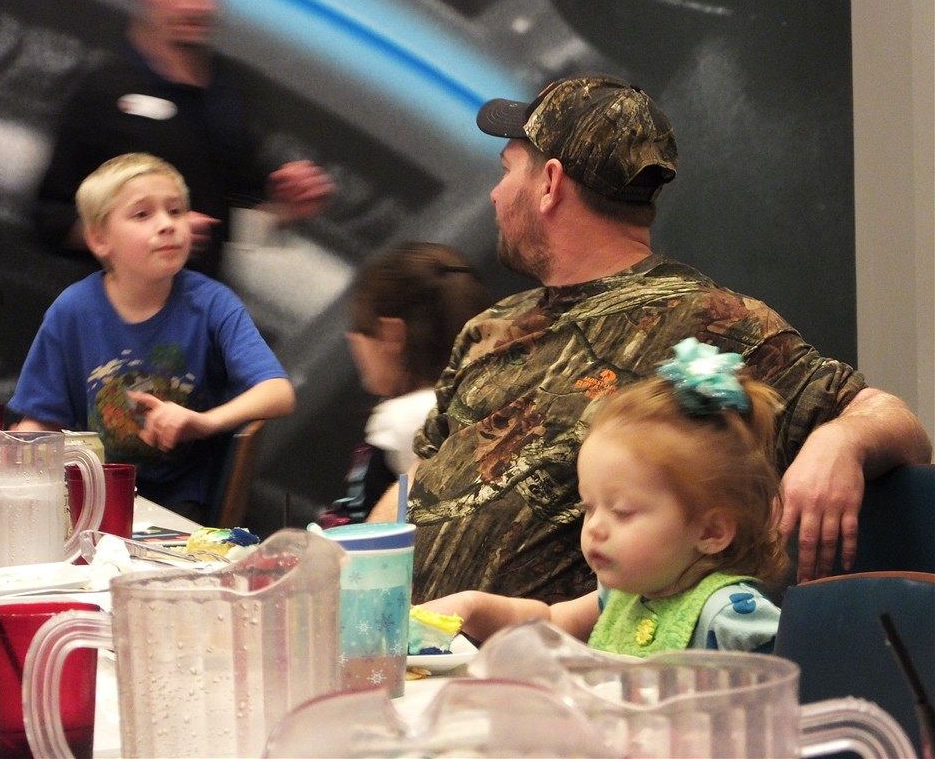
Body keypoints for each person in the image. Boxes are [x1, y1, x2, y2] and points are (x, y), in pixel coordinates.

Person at [369, 74, 932, 604]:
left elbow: (897, 423)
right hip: (404, 647)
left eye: (507, 170)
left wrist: (841, 441)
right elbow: (420, 478)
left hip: (564, 661)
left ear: (549, 183)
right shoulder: (488, 328)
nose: (495, 195)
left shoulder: (711, 322)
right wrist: (351, 569)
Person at [421, 339, 788, 655]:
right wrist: (472, 606)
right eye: (589, 507)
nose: (595, 527)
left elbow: (788, 700)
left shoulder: (732, 618)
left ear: (711, 531)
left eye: (623, 512)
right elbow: (549, 622)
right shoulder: (622, 597)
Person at [10, 153, 296, 523]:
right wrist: (15, 460)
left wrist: (205, 421)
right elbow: (40, 422)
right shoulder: (72, 310)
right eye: (142, 214)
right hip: (92, 501)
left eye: (175, 211)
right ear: (99, 239)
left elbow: (278, 392)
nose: (166, 225)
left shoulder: (213, 304)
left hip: (181, 507)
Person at [34, 0, 334, 278]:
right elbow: (49, 220)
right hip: (112, 306)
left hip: (196, 307)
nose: (198, 8)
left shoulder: (230, 91)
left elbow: (228, 228)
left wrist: (287, 211)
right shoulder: (102, 89)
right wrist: (142, 234)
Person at [318, 242, 493, 526]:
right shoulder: (491, 399)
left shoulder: (399, 420)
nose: (353, 341)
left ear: (392, 334)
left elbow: (356, 528)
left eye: (360, 328)